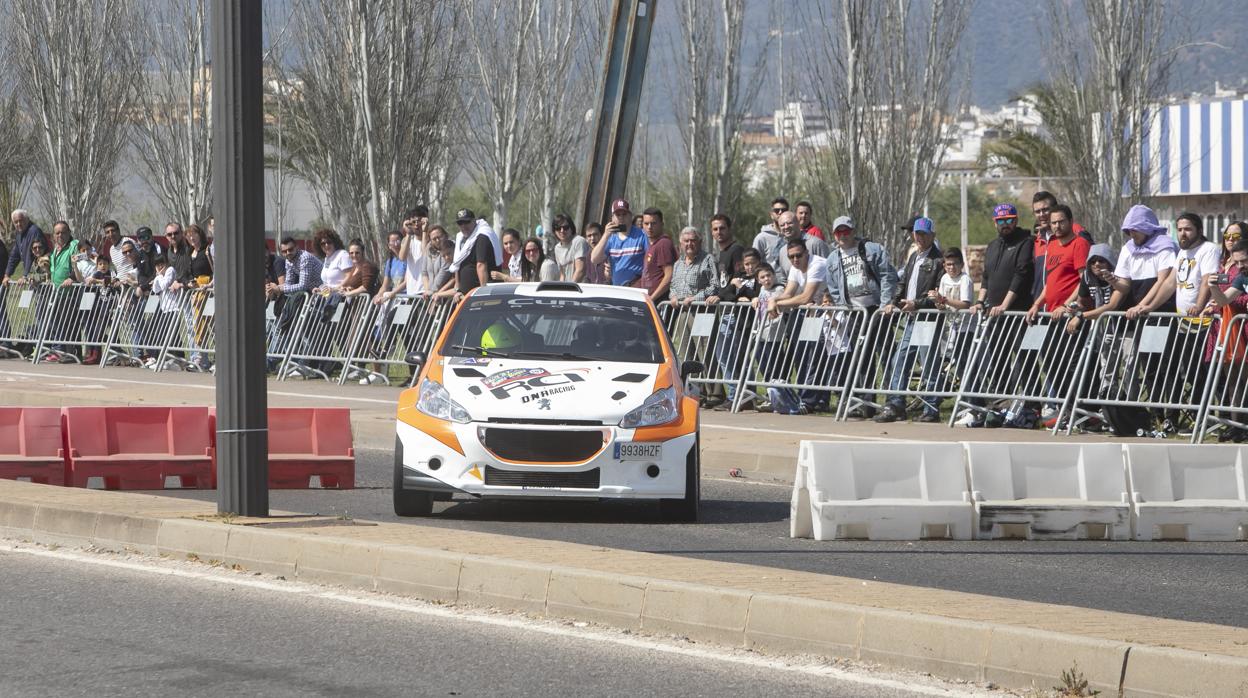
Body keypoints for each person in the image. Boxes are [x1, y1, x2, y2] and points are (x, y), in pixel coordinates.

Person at [824, 215, 898, 418]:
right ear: (834, 234)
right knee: (862, 360)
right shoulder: (832, 259)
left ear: (853, 231)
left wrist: (885, 304)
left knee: (887, 356)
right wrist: (844, 309)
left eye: (846, 231)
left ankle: (895, 402)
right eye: (839, 232)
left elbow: (887, 275)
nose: (843, 235)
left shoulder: (872, 249)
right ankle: (867, 403)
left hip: (877, 310)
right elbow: (833, 288)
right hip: (856, 315)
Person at [876, 216, 945, 423]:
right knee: (900, 359)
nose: (920, 238)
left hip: (927, 319)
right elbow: (903, 282)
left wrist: (917, 303)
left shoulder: (938, 260)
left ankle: (931, 408)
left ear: (932, 235)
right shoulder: (914, 257)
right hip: (912, 319)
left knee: (929, 365)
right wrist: (894, 302)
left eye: (924, 234)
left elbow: (937, 293)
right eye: (917, 234)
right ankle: (896, 404)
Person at [590, 199, 647, 286]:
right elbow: (594, 259)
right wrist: (605, 235)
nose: (621, 218)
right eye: (618, 215)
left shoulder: (642, 235)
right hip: (618, 288)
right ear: (612, 218)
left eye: (624, 214)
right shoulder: (610, 238)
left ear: (630, 216)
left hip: (637, 287)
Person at [775, 211, 830, 281]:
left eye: (789, 223)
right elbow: (784, 279)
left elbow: (829, 271)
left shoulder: (815, 244)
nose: (786, 227)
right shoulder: (782, 251)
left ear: (798, 223)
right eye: (782, 225)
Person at [638, 207, 675, 303]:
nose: (649, 227)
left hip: (660, 302)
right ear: (642, 225)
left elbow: (669, 275)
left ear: (662, 224)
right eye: (646, 223)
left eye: (653, 223)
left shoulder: (663, 244)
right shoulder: (651, 245)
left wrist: (652, 299)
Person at [3, 209, 47, 285]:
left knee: (44, 296)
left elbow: (34, 256)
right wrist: (7, 274)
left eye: (21, 220)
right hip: (32, 278)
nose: (18, 224)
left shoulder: (34, 231)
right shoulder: (19, 234)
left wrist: (25, 276)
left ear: (27, 220)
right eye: (16, 222)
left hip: (41, 276)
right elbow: (14, 256)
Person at [751, 197, 790, 282]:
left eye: (783, 210)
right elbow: (754, 264)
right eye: (776, 210)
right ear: (771, 214)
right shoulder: (761, 238)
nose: (780, 212)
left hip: (792, 284)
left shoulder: (793, 235)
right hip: (770, 285)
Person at [398, 206, 430, 296]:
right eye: (413, 222)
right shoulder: (407, 240)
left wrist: (424, 231)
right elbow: (401, 257)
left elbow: (425, 254)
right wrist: (408, 233)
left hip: (425, 290)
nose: (416, 225)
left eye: (419, 221)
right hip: (411, 291)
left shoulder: (431, 239)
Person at [550, 215, 590, 283]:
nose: (562, 231)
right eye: (558, 228)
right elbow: (562, 275)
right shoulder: (557, 248)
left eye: (565, 227)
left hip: (581, 288)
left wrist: (570, 288)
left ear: (571, 228)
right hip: (567, 288)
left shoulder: (579, 241)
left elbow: (580, 270)